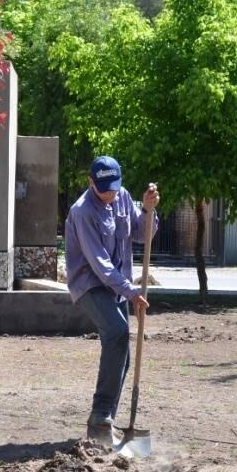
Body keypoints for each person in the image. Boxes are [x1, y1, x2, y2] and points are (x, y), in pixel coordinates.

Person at [65, 156, 160, 442]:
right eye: (104, 188)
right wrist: (132, 291)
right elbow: (101, 265)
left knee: (124, 355)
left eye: (114, 187)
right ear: (91, 182)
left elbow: (144, 235)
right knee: (117, 333)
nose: (110, 193)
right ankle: (100, 417)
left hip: (117, 285)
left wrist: (147, 210)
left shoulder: (123, 197)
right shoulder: (82, 212)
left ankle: (107, 427)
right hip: (90, 285)